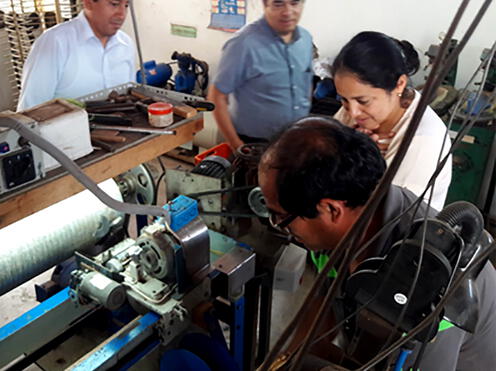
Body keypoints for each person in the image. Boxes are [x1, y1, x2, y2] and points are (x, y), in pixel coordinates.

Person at [258, 116, 496, 370]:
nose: (279, 225)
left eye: (281, 216)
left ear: (331, 209)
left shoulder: (426, 276)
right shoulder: (360, 215)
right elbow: (326, 297)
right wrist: (292, 356)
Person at [332, 31, 452, 211]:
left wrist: (359, 164)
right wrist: (351, 151)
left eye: (363, 101)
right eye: (343, 100)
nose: (353, 112)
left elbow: (380, 215)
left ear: (399, 85)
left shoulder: (423, 140)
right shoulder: (354, 107)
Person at [207, 0, 313, 150]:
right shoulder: (244, 44)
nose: (288, 12)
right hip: (255, 143)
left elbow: (305, 84)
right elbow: (216, 97)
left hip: (295, 138)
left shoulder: (305, 39)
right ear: (265, 5)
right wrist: (236, 144)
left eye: (294, 3)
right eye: (278, 4)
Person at [17, 0, 135, 111]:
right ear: (88, 3)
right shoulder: (54, 43)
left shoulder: (125, 44)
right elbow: (29, 114)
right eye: (114, 4)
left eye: (126, 5)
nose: (122, 15)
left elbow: (130, 97)